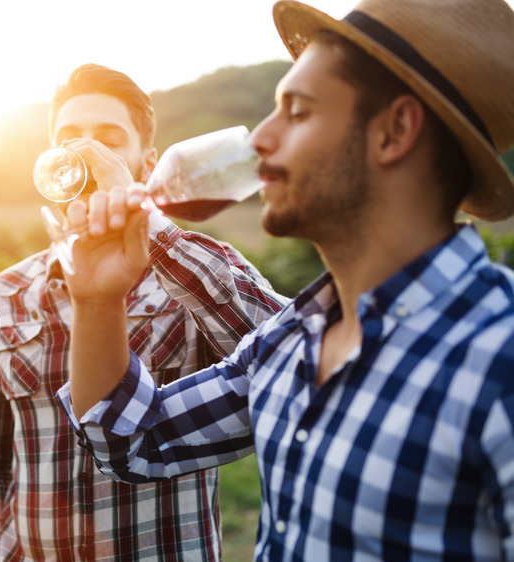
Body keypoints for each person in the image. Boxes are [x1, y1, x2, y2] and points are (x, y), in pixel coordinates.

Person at [58, 0, 514, 559]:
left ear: (394, 131)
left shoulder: (500, 356)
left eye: (295, 112)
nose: (259, 141)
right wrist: (98, 299)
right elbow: (130, 441)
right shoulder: (290, 340)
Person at [0, 64, 288, 560]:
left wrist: (147, 222)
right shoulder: (2, 296)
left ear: (147, 164)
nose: (85, 154)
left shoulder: (192, 273)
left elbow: (293, 348)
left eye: (109, 139)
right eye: (69, 139)